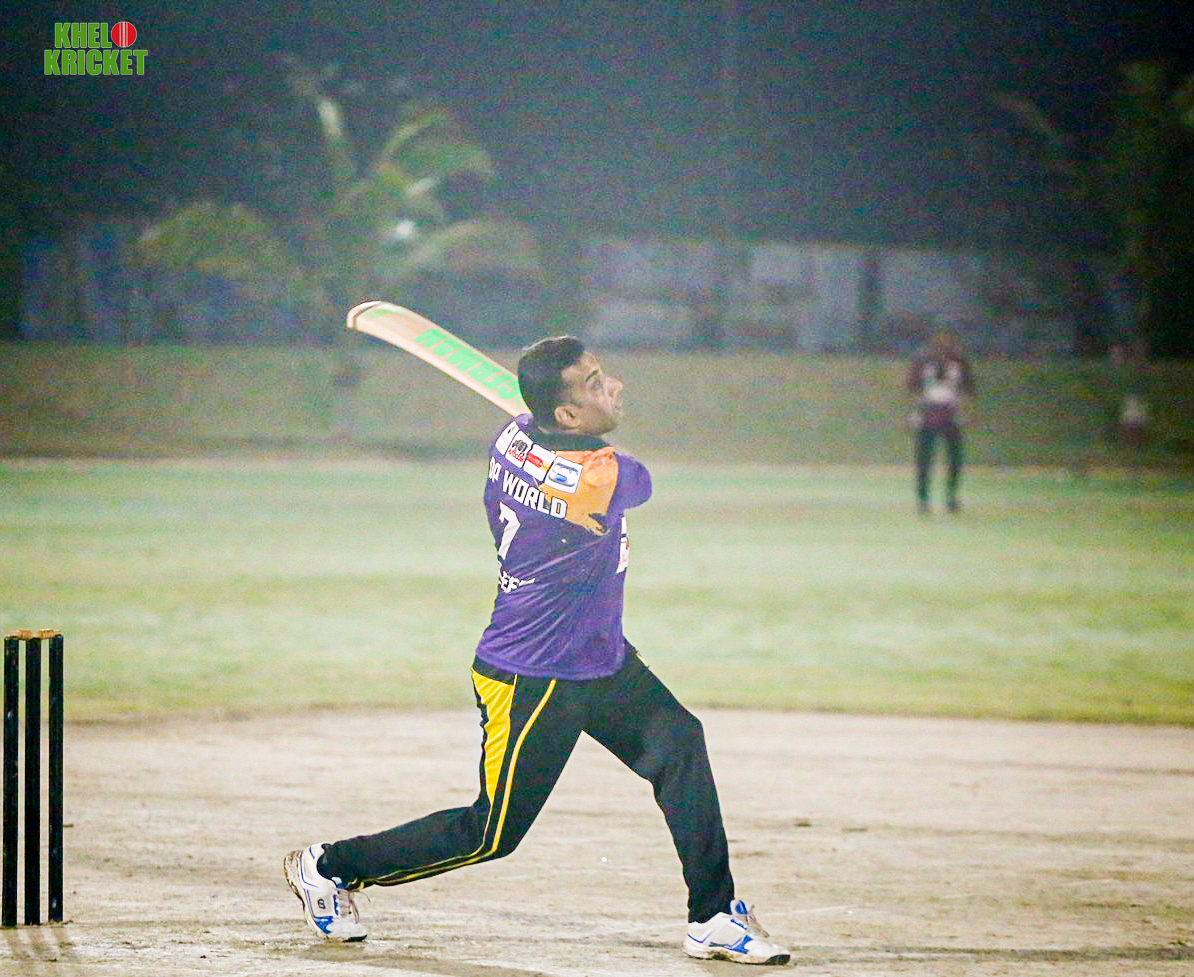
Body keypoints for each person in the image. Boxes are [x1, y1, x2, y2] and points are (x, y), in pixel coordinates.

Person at [284, 336, 790, 965]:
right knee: (491, 833)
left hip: (598, 658)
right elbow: (639, 481)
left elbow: (543, 432)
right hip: (532, 672)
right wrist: (574, 434)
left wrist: (561, 419)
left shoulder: (512, 436)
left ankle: (712, 915)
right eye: (596, 383)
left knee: (679, 743)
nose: (615, 386)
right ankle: (329, 866)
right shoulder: (601, 479)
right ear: (568, 415)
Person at [907, 330, 976, 514]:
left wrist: (964, 411)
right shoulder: (922, 360)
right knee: (924, 459)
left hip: (951, 413)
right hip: (928, 412)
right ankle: (923, 499)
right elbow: (912, 387)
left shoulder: (959, 361)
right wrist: (915, 412)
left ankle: (951, 497)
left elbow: (969, 388)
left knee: (955, 459)